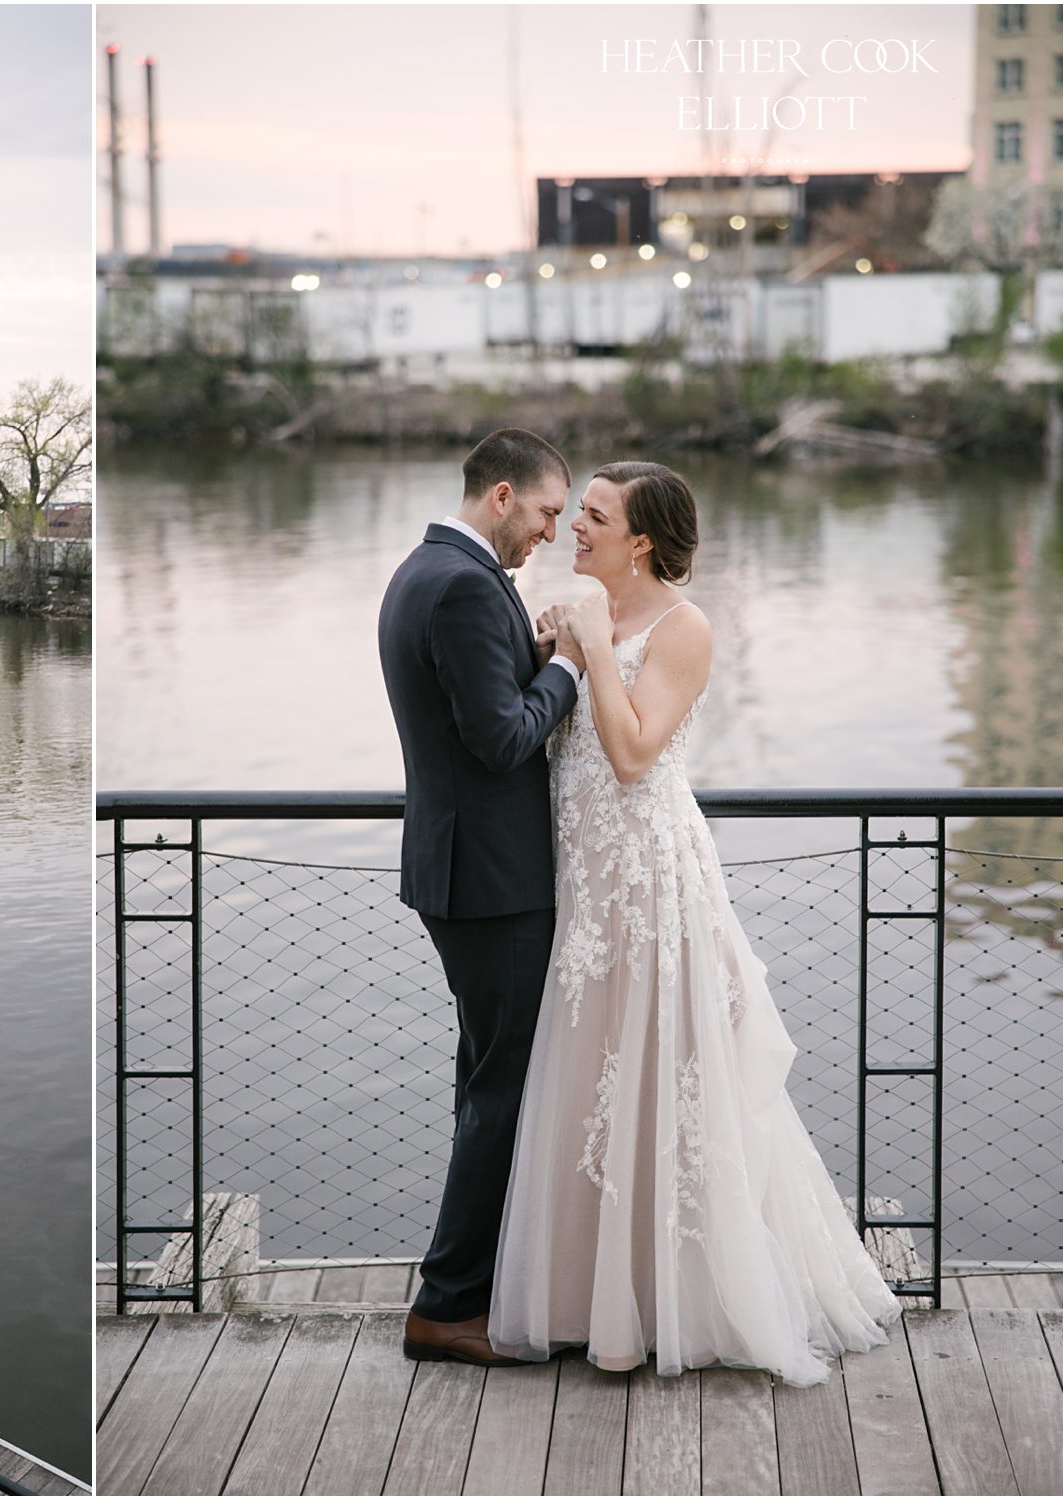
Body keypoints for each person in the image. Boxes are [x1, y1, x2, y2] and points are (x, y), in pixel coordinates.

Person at [489, 460, 899, 1382]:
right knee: (589, 1077)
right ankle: (585, 1301)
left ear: (641, 540)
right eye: (579, 513)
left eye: (595, 517)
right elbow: (563, 743)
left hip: (650, 879)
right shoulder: (587, 612)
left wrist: (589, 646)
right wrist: (562, 647)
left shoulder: (685, 627)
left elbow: (634, 753)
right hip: (586, 883)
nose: (576, 529)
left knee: (663, 1074)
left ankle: (677, 1303)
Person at [376, 427, 585, 1365]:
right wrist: (572, 671)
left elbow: (475, 710)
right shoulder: (463, 584)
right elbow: (502, 741)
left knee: (484, 1081)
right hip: (492, 881)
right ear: (503, 496)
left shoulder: (426, 571)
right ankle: (447, 1305)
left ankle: (482, 1281)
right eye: (545, 513)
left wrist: (529, 655)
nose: (549, 533)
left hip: (463, 870)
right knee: (503, 1089)